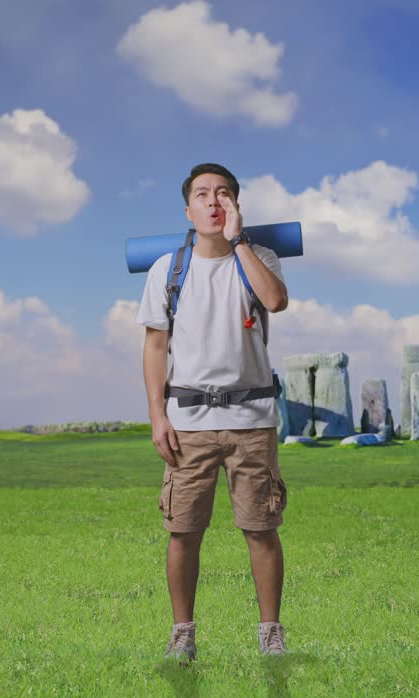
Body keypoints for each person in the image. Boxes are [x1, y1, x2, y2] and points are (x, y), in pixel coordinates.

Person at [135, 162, 291, 664]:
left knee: (261, 528)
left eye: (223, 193)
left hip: (252, 420)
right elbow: (155, 346)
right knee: (183, 531)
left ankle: (270, 633)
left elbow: (276, 300)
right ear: (188, 210)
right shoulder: (168, 269)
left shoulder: (259, 257)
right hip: (188, 423)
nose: (213, 201)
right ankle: (183, 634)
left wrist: (238, 240)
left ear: (236, 205)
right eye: (202, 194)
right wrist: (157, 415)